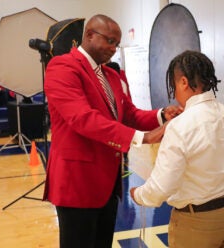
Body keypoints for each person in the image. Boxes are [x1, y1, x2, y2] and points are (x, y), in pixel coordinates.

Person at [43, 14, 182, 248]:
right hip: (77, 184)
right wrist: (143, 138)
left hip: (107, 184)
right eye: (109, 41)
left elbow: (129, 114)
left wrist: (161, 115)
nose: (113, 48)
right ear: (89, 35)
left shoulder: (110, 75)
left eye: (116, 44)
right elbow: (83, 118)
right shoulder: (62, 66)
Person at [130, 50, 224, 248]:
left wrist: (138, 194)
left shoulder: (179, 126)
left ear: (183, 82)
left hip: (198, 220)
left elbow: (161, 188)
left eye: (174, 85)